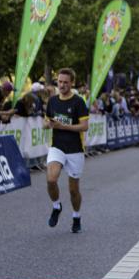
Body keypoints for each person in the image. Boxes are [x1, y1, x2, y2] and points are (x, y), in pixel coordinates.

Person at [45, 68, 89, 233]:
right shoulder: (52, 101)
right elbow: (46, 121)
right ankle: (56, 206)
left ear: (72, 83)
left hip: (75, 150)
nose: (62, 85)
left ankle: (76, 216)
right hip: (57, 147)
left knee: (73, 190)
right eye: (60, 81)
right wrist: (48, 124)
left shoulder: (78, 102)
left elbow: (84, 126)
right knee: (51, 179)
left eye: (65, 82)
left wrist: (63, 126)